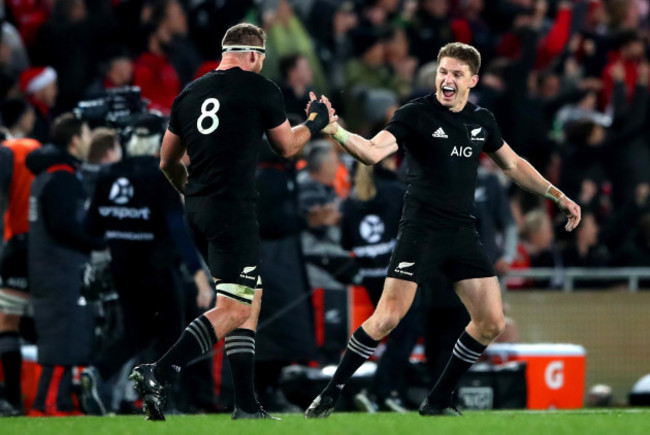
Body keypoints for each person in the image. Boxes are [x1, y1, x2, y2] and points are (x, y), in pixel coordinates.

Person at [304, 42, 581, 418]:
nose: (447, 80)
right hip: (421, 229)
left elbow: (513, 165)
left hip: (461, 232)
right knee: (387, 318)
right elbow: (370, 151)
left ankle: (437, 400)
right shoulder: (415, 114)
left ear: (472, 80)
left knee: (491, 322)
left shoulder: (482, 120)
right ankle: (332, 391)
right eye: (443, 72)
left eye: (456, 74)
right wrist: (334, 129)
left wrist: (557, 195)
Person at [128, 23, 335, 421]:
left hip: (198, 210)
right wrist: (314, 122)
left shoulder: (188, 93)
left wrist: (187, 191)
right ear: (255, 55)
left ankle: (245, 404)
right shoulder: (262, 89)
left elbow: (167, 161)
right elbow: (287, 146)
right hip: (233, 211)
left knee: (248, 298)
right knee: (235, 308)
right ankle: (161, 370)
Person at [80, 113, 213, 415]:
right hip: (158, 270)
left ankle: (97, 371)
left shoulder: (108, 175)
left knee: (136, 333)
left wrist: (119, 235)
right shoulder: (160, 175)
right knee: (173, 336)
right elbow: (178, 231)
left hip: (123, 269)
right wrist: (199, 277)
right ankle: (161, 401)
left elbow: (89, 228)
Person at [26, 113, 106, 416]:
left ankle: (58, 401)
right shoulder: (62, 177)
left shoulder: (49, 175)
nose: (89, 142)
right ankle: (45, 404)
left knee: (65, 333)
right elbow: (63, 226)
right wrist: (99, 242)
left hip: (50, 266)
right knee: (61, 337)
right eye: (86, 135)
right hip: (58, 268)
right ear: (74, 140)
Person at [0, 137, 41, 416]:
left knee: (8, 322)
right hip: (45, 246)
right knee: (42, 323)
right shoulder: (32, 146)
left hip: (15, 245)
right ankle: (49, 397)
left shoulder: (7, 153)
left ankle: (14, 399)